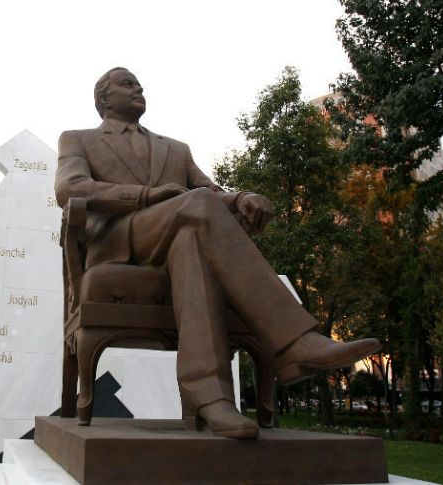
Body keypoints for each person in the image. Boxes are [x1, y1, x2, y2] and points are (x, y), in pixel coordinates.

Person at [54, 67, 381, 439]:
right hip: (123, 242)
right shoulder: (77, 139)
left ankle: (210, 400)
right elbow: (70, 188)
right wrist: (147, 196)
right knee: (198, 206)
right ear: (104, 99)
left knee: (191, 238)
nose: (139, 87)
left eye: (140, 83)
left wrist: (242, 198)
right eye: (128, 84)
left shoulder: (176, 149)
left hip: (178, 238)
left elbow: (212, 193)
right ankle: (293, 343)